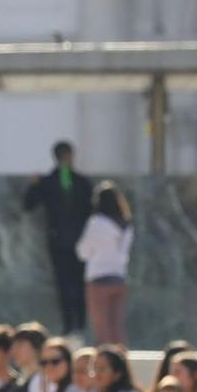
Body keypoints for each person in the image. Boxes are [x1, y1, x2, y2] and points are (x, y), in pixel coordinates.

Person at [23, 140, 95, 334]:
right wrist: (34, 185)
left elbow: (92, 210)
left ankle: (78, 325)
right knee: (66, 285)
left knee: (76, 285)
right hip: (62, 242)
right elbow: (29, 204)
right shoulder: (52, 182)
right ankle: (72, 326)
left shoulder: (77, 181)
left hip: (76, 243)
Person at [76, 181, 133, 347]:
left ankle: (105, 363)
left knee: (102, 330)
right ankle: (121, 361)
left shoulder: (96, 223)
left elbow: (83, 251)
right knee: (117, 328)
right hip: (119, 278)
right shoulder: (126, 225)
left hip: (98, 279)